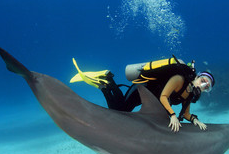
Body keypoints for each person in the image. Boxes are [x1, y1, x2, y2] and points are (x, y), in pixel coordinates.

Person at [70, 56, 215, 133]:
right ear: (197, 77)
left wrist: (195, 121)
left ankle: (106, 84)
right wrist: (172, 115)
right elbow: (164, 96)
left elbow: (187, 113)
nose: (202, 85)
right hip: (143, 89)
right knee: (118, 110)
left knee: (122, 110)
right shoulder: (179, 79)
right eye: (203, 81)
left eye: (206, 87)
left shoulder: (190, 95)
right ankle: (107, 83)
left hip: (153, 100)